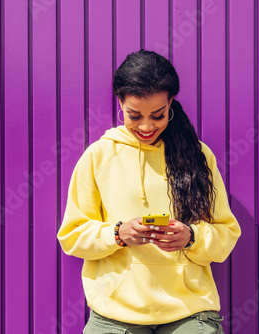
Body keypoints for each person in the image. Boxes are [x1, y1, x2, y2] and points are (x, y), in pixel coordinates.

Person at [57, 50, 241, 333]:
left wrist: (191, 237)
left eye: (157, 115)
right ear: (120, 103)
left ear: (171, 103)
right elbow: (72, 236)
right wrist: (118, 234)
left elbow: (226, 234)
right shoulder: (98, 156)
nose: (146, 126)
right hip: (115, 313)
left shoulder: (198, 155)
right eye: (134, 115)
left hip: (189, 311)